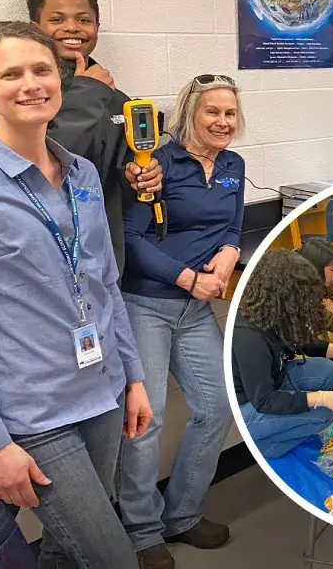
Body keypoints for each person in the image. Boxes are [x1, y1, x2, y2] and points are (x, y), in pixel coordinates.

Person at [0, 20, 151, 569]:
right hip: (31, 413)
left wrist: (135, 377)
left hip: (101, 394)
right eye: (11, 73)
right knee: (112, 557)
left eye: (41, 70)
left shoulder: (80, 175)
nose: (30, 84)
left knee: (63, 551)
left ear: (60, 79)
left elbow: (103, 286)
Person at [116, 74, 248, 568]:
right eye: (211, 111)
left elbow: (232, 223)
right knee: (143, 422)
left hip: (195, 312)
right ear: (189, 113)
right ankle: (143, 531)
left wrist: (232, 251)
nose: (222, 121)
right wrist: (189, 278)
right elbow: (132, 240)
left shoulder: (233, 165)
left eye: (229, 113)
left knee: (217, 407)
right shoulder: (155, 166)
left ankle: (184, 516)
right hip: (146, 303)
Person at [28, 0, 162, 275]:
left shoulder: (116, 100)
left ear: (97, 29)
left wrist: (139, 178)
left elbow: (117, 184)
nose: (73, 27)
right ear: (34, 28)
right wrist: (87, 94)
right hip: (43, 255)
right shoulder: (26, 94)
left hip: (104, 255)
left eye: (84, 20)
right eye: (57, 19)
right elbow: (38, 170)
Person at [233, 249, 333, 458]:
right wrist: (321, 398)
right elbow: (265, 400)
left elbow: (307, 343)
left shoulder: (273, 312)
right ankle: (266, 445)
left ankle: (283, 430)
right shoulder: (250, 337)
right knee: (327, 413)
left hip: (276, 381)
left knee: (328, 370)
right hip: (251, 407)